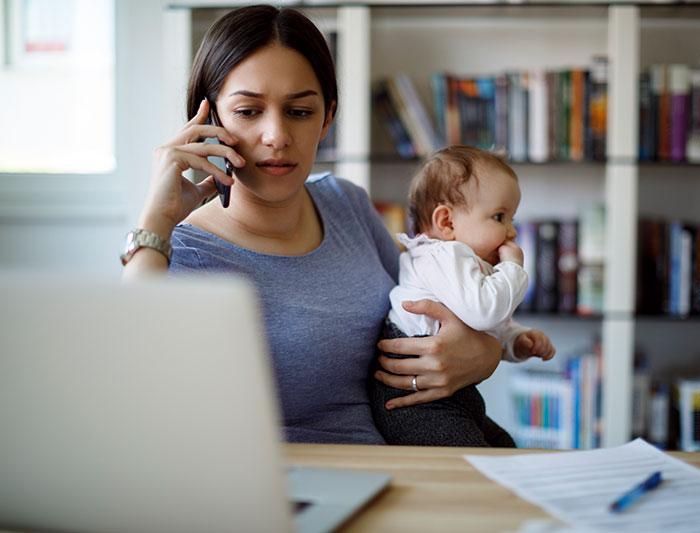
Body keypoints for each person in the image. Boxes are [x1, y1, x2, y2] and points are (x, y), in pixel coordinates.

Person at [121, 5, 506, 445]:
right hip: (278, 493)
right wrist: (157, 220)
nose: (276, 135)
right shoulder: (178, 251)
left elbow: (434, 301)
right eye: (248, 111)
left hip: (397, 470)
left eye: (299, 112)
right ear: (209, 121)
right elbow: (132, 385)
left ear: (327, 118)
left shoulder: (346, 203)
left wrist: (485, 351)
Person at [369, 145, 556, 447]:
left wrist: (517, 340)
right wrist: (513, 267)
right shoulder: (442, 255)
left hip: (452, 392)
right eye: (499, 217)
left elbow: (484, 326)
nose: (511, 232)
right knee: (472, 462)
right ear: (447, 222)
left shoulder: (465, 262)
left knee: (504, 446)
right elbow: (485, 312)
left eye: (512, 219)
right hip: (415, 401)